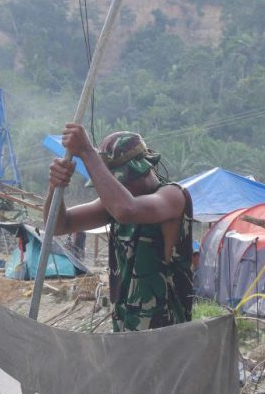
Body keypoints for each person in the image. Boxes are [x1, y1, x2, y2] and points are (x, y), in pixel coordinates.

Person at [44, 124, 193, 332]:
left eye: (123, 181)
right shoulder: (114, 206)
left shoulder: (173, 196)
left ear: (144, 169)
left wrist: (87, 152)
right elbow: (59, 225)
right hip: (125, 334)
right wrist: (55, 188)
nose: (119, 189)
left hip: (166, 338)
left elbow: (127, 210)